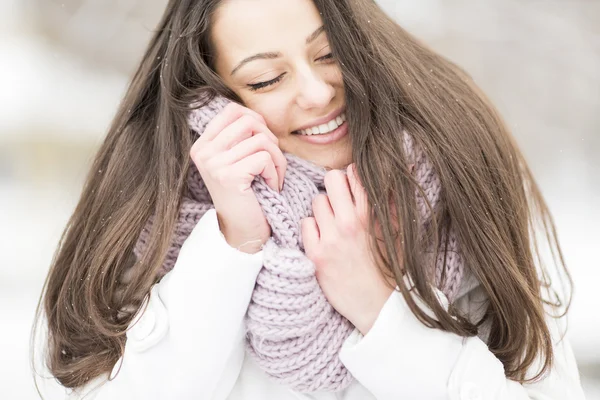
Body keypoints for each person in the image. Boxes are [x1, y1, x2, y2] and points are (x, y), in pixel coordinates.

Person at [32, 0, 587, 399]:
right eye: (268, 79)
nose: (318, 92)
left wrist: (380, 308)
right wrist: (235, 242)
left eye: (328, 54)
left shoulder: (455, 184)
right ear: (217, 99)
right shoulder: (156, 224)